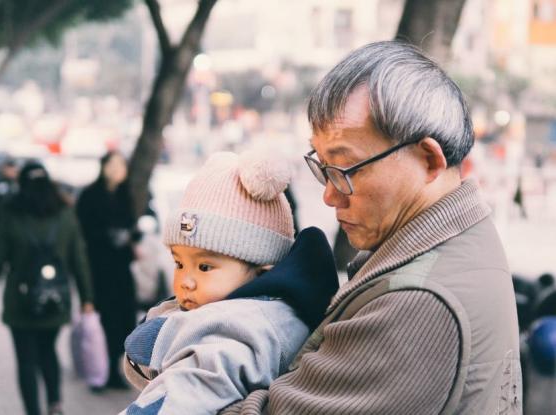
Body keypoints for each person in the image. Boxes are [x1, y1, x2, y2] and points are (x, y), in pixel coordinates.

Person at [221, 40, 522, 414]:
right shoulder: (462, 240)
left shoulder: (419, 302)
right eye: (322, 167)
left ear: (428, 159)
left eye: (346, 169)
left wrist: (185, 369)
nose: (330, 195)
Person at [120, 151, 339, 415]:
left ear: (260, 271)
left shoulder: (240, 332)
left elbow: (189, 389)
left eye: (205, 267)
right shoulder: (223, 309)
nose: (186, 282)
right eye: (179, 263)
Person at [0, 162, 94, 415]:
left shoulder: (11, 214)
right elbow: (79, 259)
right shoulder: (65, 214)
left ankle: (33, 410)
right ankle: (55, 404)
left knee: (26, 360)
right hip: (56, 298)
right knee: (48, 351)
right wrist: (87, 297)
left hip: (19, 300)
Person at [76, 151, 138, 389]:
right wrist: (108, 235)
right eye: (112, 164)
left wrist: (130, 238)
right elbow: (83, 231)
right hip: (98, 268)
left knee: (123, 320)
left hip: (121, 268)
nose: (116, 169)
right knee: (102, 319)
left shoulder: (125, 195)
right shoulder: (90, 195)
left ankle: (114, 368)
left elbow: (132, 224)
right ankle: (97, 371)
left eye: (121, 164)